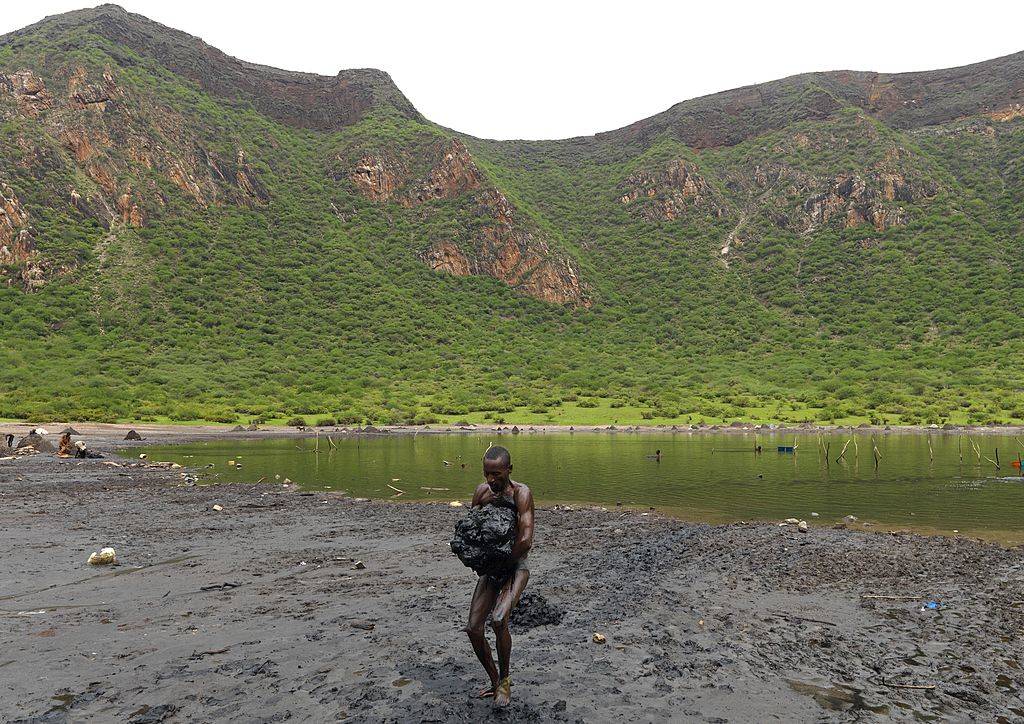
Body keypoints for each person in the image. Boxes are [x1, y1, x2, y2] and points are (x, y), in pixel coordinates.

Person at [464, 445, 534, 708]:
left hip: (516, 567)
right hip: (491, 570)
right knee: (473, 628)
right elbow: (473, 529)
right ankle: (494, 681)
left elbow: (526, 539)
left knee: (498, 619)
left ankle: (505, 682)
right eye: (487, 474)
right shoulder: (481, 493)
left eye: (497, 474)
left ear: (509, 470)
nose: (491, 480)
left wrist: (503, 562)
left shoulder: (521, 494)